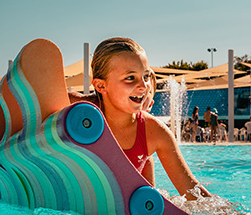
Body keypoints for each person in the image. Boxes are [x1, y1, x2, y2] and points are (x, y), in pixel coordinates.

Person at [70, 37, 211, 200]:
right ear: (101, 86)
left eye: (145, 76)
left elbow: (193, 192)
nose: (143, 86)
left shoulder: (154, 132)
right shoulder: (79, 111)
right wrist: (88, 101)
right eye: (130, 78)